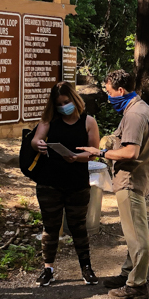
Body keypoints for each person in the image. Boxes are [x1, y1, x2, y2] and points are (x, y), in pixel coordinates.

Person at [78, 70, 149, 299]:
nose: (109, 97)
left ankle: (137, 284)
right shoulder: (143, 109)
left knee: (137, 235)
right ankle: (128, 273)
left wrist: (101, 151)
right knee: (132, 231)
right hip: (136, 178)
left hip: (130, 180)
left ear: (120, 90)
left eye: (110, 92)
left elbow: (131, 151)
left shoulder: (134, 115)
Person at [30, 82, 101, 286]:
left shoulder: (88, 122)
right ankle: (48, 269)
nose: (63, 107)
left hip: (77, 183)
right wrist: (39, 144)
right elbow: (36, 140)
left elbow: (94, 153)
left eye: (66, 102)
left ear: (75, 100)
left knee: (78, 226)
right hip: (49, 183)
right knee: (51, 227)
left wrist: (77, 157)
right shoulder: (49, 120)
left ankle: (86, 268)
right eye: (59, 104)